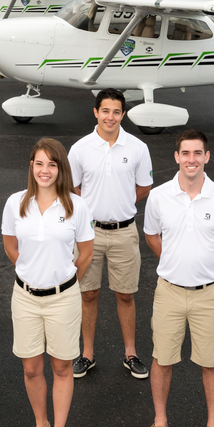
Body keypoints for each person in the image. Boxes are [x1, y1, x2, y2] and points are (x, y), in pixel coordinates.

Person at [142, 129, 214, 427]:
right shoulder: (158, 196)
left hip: (208, 294)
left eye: (198, 153)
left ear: (207, 157)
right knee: (162, 359)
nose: (191, 160)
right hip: (169, 291)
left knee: (212, 362)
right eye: (186, 153)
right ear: (176, 157)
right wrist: (175, 264)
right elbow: (153, 237)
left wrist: (205, 266)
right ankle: (159, 421)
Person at [1, 138, 95, 427]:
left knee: (62, 366)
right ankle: (41, 425)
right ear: (31, 166)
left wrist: (65, 282)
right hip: (25, 297)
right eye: (39, 163)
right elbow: (10, 244)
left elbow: (86, 253)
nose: (45, 170)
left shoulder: (76, 206)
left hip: (63, 298)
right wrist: (30, 271)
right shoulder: (15, 203)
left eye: (52, 164)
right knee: (31, 368)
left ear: (61, 169)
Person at [68, 90, 153, 380]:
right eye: (105, 111)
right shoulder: (80, 148)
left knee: (125, 295)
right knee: (88, 294)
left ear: (123, 115)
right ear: (95, 112)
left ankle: (130, 353)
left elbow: (143, 188)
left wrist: (123, 205)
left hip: (124, 232)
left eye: (116, 112)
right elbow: (72, 187)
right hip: (88, 235)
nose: (110, 117)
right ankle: (87, 354)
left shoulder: (138, 147)